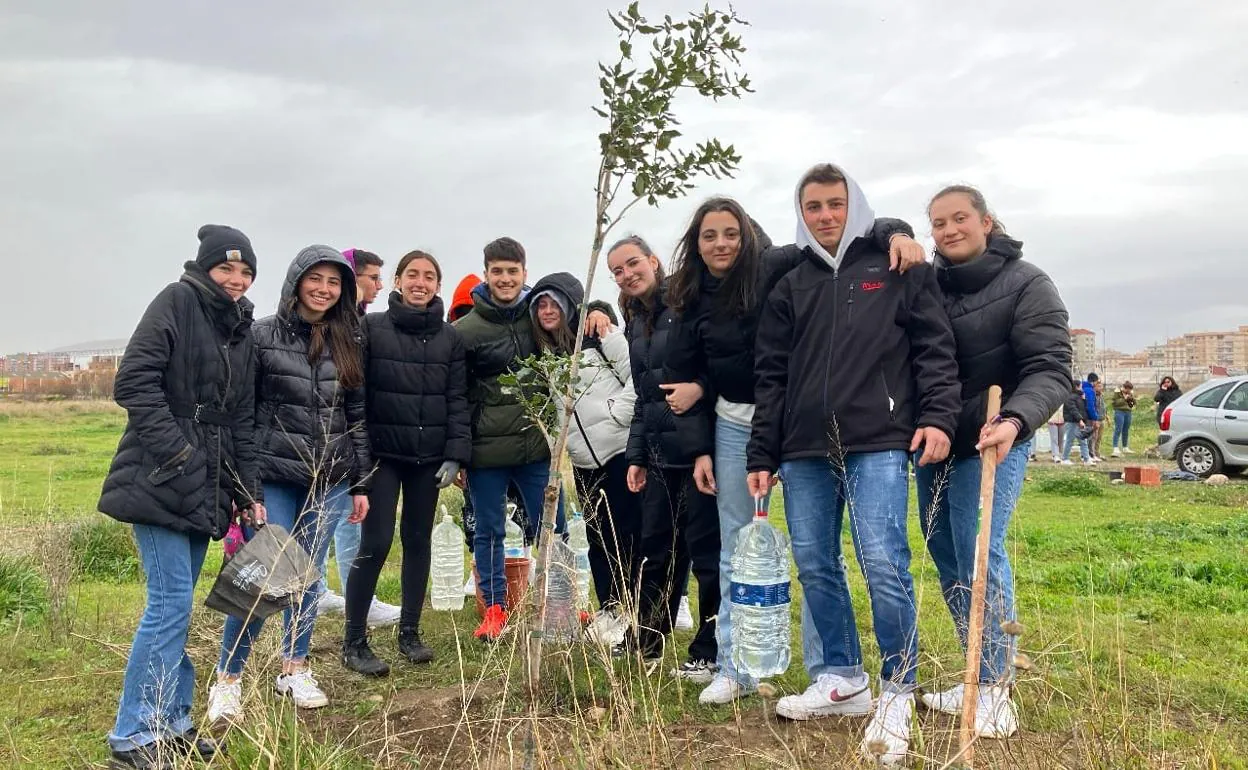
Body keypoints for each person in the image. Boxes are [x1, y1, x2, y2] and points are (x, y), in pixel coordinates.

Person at [663, 197, 923, 704]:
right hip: (737, 426)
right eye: (709, 235)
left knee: (815, 548)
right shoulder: (689, 297)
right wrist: (699, 444)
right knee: (737, 543)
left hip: (799, 422)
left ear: (748, 235)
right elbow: (686, 377)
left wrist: (897, 232)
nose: (721, 244)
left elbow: (852, 234)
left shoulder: (777, 266)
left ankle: (830, 668)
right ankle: (734, 665)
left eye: (730, 233)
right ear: (695, 244)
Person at [746, 163, 960, 765]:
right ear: (802, 212)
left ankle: (898, 688)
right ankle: (842, 677)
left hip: (879, 438)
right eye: (813, 206)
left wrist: (940, 417)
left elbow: (933, 347)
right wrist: (763, 451)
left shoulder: (895, 266)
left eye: (836, 203)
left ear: (854, 204)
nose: (826, 216)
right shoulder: (791, 285)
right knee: (815, 561)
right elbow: (772, 376)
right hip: (804, 447)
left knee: (883, 560)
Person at [99, 224, 262, 769]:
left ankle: (172, 723)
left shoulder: (237, 326)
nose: (236, 279)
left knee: (178, 607)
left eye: (245, 272)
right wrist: (177, 454)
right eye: (226, 268)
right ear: (205, 268)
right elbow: (133, 382)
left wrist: (246, 492)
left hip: (206, 485)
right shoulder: (178, 301)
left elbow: (240, 418)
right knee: (168, 607)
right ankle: (133, 736)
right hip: (161, 479)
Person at [913, 185, 1071, 739]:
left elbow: (1051, 367)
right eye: (938, 223)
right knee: (945, 552)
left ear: (985, 221)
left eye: (960, 218)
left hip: (995, 436)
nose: (949, 229)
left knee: (980, 550)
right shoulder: (927, 284)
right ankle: (976, 668)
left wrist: (1014, 421)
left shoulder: (1028, 282)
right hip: (935, 441)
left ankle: (997, 688)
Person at [209, 245, 372, 717]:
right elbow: (246, 415)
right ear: (296, 281)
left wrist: (360, 482)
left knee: (307, 578)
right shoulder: (262, 336)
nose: (324, 289)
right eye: (315, 279)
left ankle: (294, 668)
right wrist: (249, 489)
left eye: (334, 282)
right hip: (276, 474)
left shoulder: (349, 339)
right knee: (261, 578)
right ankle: (228, 678)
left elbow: (356, 416)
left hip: (331, 479)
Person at [454, 238, 610, 641]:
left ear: (524, 272)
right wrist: (456, 454)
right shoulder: (465, 331)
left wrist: (597, 310)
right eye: (497, 271)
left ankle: (561, 605)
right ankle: (494, 610)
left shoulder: (536, 318)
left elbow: (571, 321)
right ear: (486, 273)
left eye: (512, 271)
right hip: (485, 452)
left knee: (553, 528)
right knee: (489, 531)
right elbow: (453, 396)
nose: (505, 279)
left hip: (535, 447)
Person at [339, 250, 472, 674]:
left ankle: (410, 633)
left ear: (438, 284)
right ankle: (354, 641)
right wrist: (358, 455)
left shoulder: (450, 338)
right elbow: (354, 395)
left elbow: (457, 400)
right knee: (375, 544)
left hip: (427, 458)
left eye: (429, 276)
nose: (421, 282)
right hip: (381, 456)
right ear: (397, 281)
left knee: (418, 542)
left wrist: (455, 454)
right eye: (412, 274)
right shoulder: (371, 328)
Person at [605, 234, 720, 669]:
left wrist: (701, 391)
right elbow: (644, 396)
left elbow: (716, 367)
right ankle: (647, 640)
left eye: (633, 263)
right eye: (617, 270)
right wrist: (636, 455)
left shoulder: (688, 302)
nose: (627, 274)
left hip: (698, 452)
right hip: (657, 454)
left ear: (653, 261)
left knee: (706, 553)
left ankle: (709, 650)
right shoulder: (634, 319)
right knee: (654, 551)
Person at [529, 272, 640, 647]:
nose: (547, 311)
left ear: (568, 305)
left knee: (628, 533)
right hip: (582, 459)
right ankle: (610, 608)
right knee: (598, 536)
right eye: (540, 305)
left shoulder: (598, 334)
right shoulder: (544, 352)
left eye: (553, 304)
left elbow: (636, 377)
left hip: (620, 451)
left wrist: (616, 415)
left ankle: (636, 610)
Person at [317, 247, 401, 626]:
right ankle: (335, 595)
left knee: (345, 515)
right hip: (328, 437)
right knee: (329, 518)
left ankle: (344, 594)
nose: (379, 286)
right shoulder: (337, 324)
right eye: (373, 278)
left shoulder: (361, 321)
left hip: (353, 434)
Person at [447, 273, 529, 598]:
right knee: (477, 511)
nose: (467, 318)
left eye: (471, 310)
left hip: (517, 439)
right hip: (477, 445)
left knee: (517, 507)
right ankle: (479, 569)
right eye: (460, 312)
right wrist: (457, 453)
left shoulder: (508, 343)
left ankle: (521, 561)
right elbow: (454, 404)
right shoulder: (457, 350)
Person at [1061, 380, 1093, 465]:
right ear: (1076, 386)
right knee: (1069, 440)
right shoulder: (1070, 397)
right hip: (1072, 421)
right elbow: (1073, 410)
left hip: (1080, 421)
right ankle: (1064, 459)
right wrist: (1080, 420)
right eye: (1080, 386)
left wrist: (1084, 399)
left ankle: (1086, 459)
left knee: (1083, 440)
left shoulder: (1079, 396)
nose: (1081, 388)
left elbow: (1082, 409)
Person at [1110, 380, 1137, 456]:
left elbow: (1133, 404)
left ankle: (1125, 447)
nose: (1129, 391)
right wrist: (1124, 399)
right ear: (1124, 388)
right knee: (1118, 429)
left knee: (1126, 430)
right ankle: (1115, 447)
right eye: (1127, 389)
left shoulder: (1130, 393)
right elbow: (1115, 403)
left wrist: (1131, 399)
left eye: (1130, 390)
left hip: (1128, 412)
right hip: (1119, 412)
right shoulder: (1117, 393)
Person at [1081, 373, 1102, 462]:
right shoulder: (1089, 391)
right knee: (1090, 436)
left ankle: (1086, 454)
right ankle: (1090, 454)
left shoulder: (1083, 388)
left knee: (1086, 436)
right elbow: (1090, 406)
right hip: (1089, 417)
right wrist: (1095, 418)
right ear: (1093, 381)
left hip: (1084, 415)